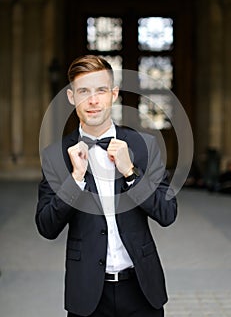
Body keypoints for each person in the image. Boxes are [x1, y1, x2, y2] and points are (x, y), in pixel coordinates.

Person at [35, 54, 177, 317]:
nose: (92, 101)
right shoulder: (56, 155)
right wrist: (75, 180)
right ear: (71, 97)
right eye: (83, 92)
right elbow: (46, 226)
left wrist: (130, 173)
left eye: (100, 90)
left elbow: (167, 214)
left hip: (142, 290)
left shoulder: (144, 146)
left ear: (113, 94)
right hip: (88, 295)